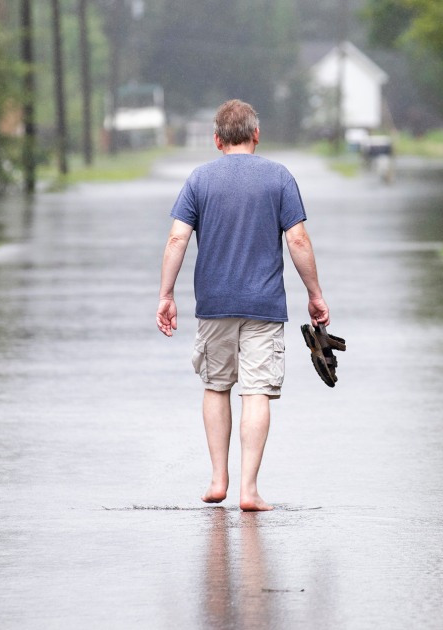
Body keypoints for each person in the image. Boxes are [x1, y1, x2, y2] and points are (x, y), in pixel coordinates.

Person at [156, 99, 329, 512]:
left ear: (216, 140)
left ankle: (219, 479)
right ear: (256, 135)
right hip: (264, 305)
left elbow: (177, 239)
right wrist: (315, 294)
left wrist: (166, 294)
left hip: (213, 304)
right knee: (256, 392)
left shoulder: (199, 179)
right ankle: (248, 491)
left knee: (216, 386)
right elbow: (298, 240)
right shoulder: (280, 177)